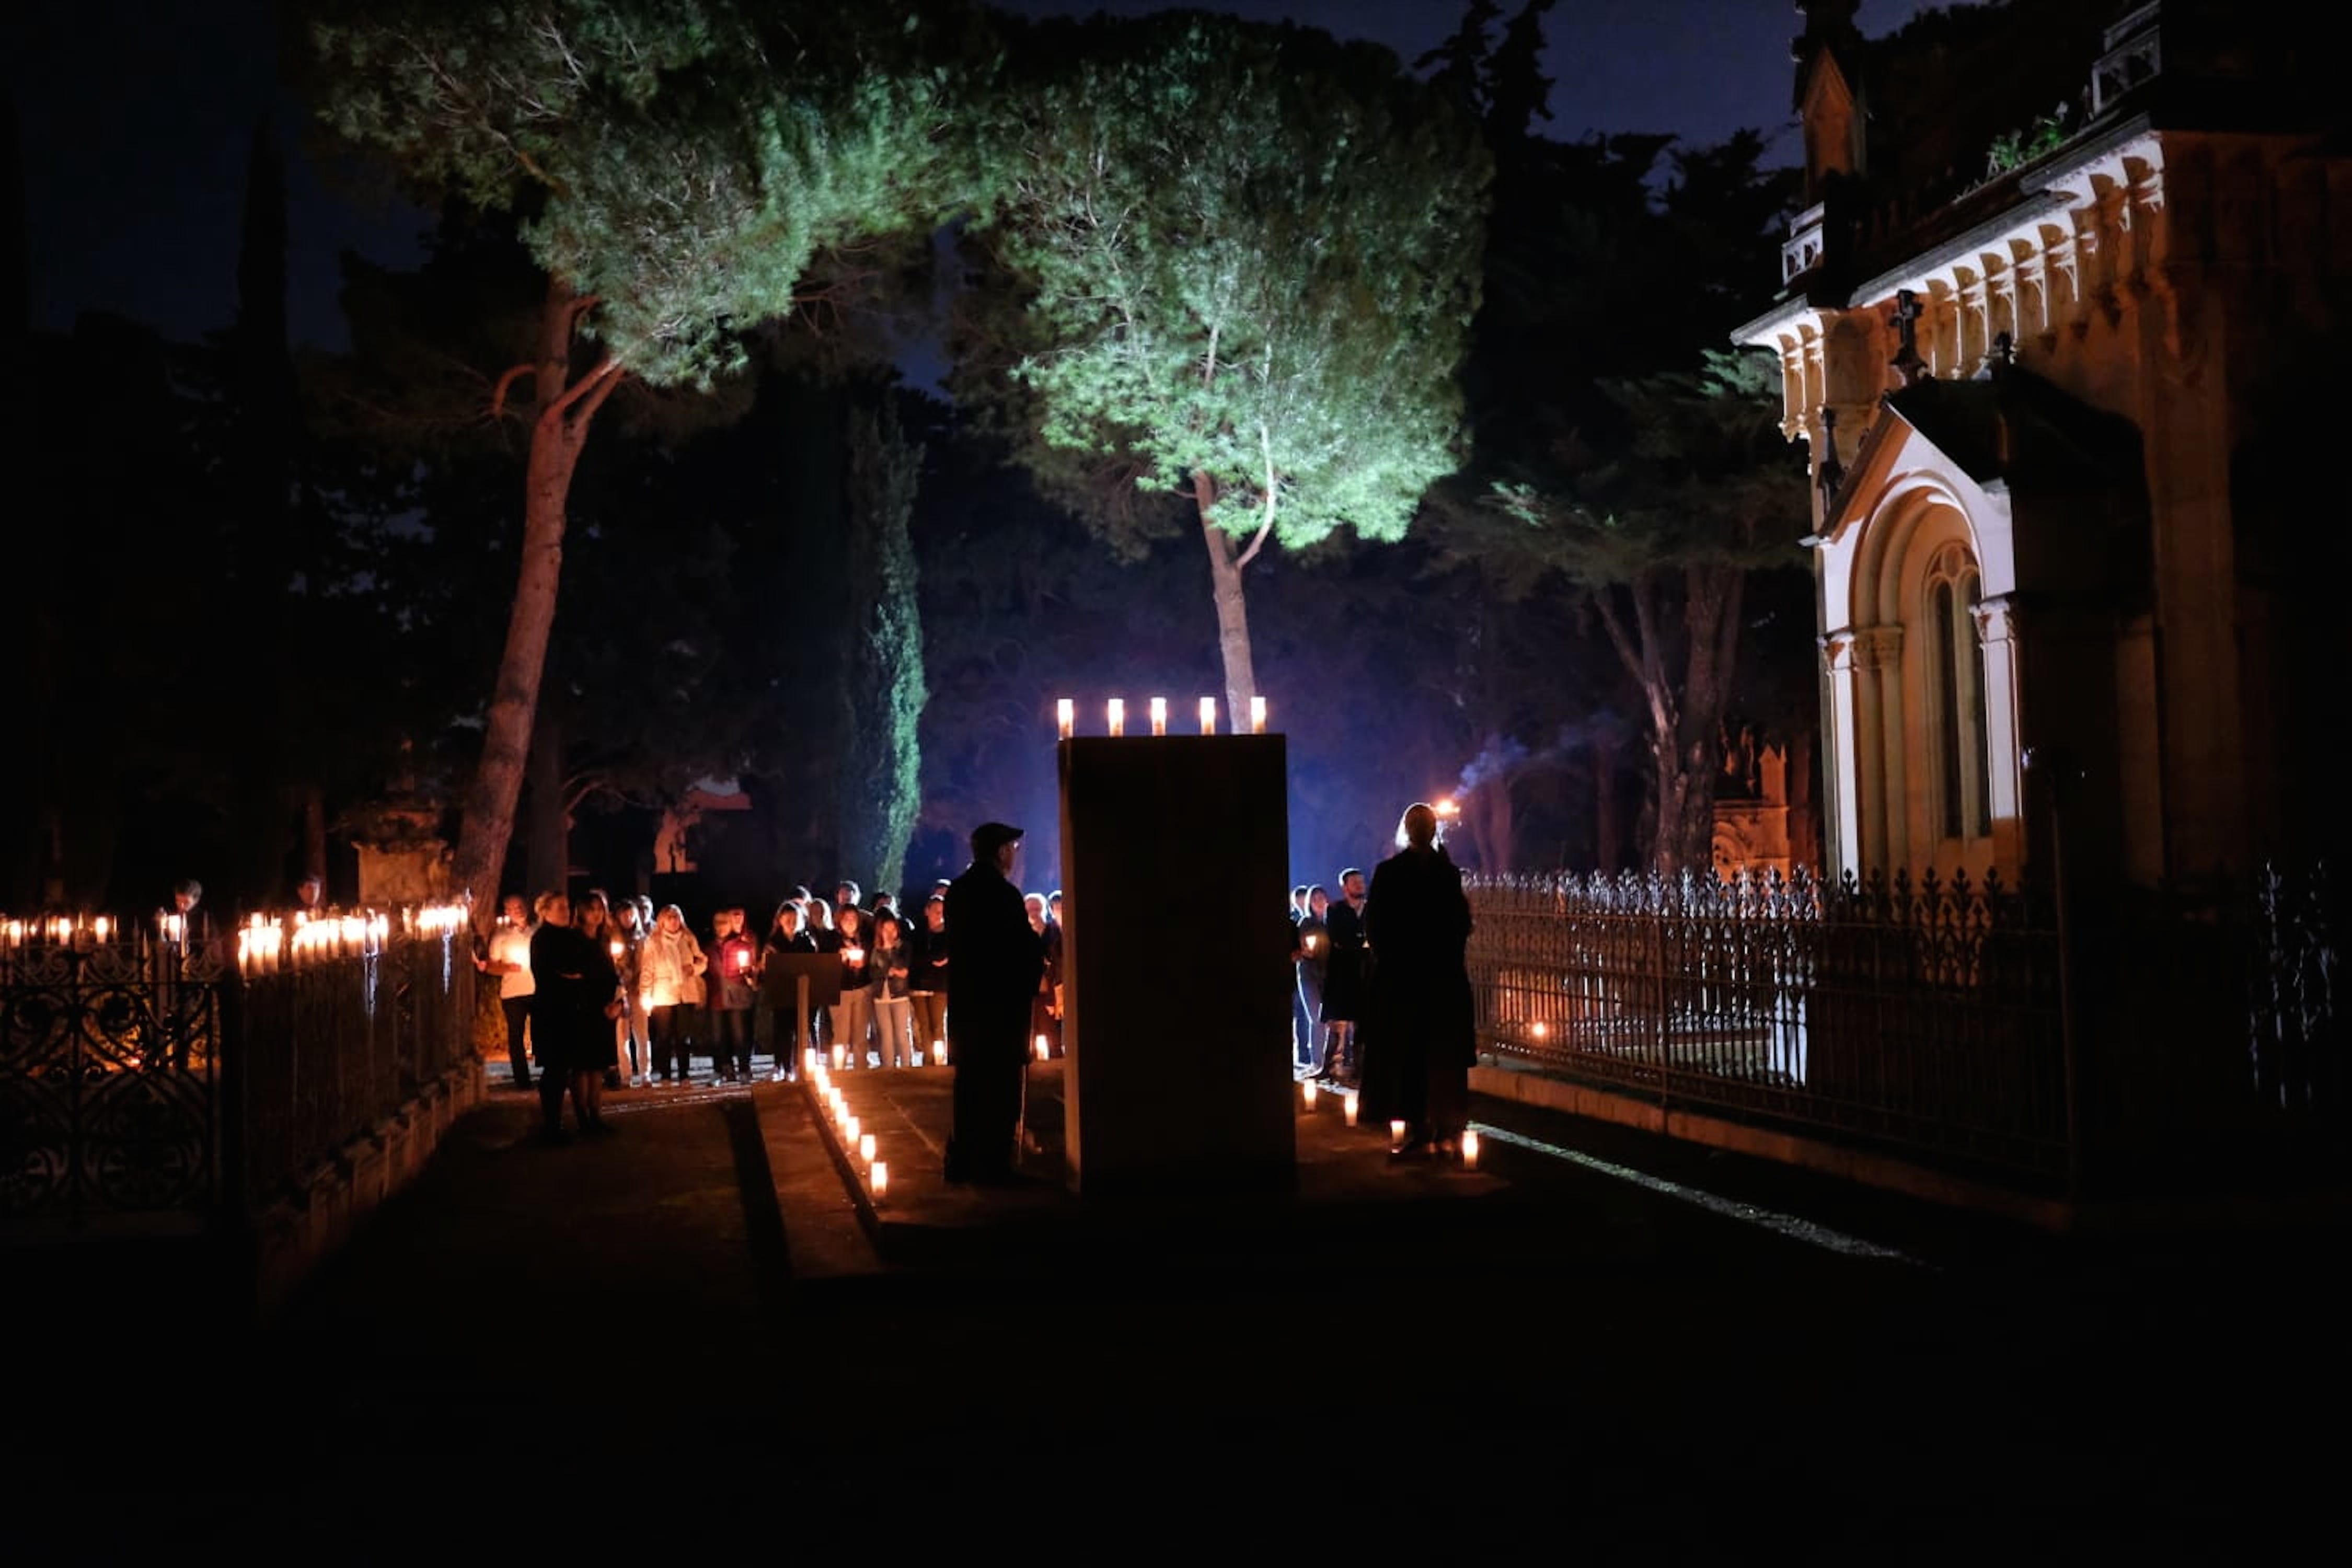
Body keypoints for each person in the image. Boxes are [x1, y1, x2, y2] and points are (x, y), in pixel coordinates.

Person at [1361, 804, 1475, 1161]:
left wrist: (1395, 960)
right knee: (1427, 1055)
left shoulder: (1411, 873)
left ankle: (1433, 1125)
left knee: (1420, 1055)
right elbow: (1458, 926)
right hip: (1431, 980)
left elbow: (1377, 927)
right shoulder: (1440, 874)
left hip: (1411, 981)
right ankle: (1433, 1125)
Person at [944, 822, 1043, 1184]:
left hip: (968, 1005)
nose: (1015, 856)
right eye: (1012, 849)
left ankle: (964, 1157)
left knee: (969, 1083)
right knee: (1000, 1084)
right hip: (999, 1009)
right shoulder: (1003, 895)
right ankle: (993, 1164)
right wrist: (1037, 948)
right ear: (1001, 852)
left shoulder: (957, 892)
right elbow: (1017, 949)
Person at [527, 891, 621, 1142]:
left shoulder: (567, 937)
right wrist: (576, 977)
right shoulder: (543, 939)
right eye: (559, 907)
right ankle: (552, 1126)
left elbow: (586, 970)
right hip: (553, 1012)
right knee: (555, 1071)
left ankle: (559, 1124)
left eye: (566, 906)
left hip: (570, 1012)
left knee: (564, 1069)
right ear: (544, 911)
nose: (565, 911)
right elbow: (556, 974)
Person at [1314, 867, 1369, 1083]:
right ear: (1345, 887)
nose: (1360, 885)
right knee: (1336, 1021)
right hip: (1341, 972)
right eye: (1355, 882)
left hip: (1365, 972)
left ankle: (1360, 1068)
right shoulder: (1335, 910)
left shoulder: (1371, 910)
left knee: (1363, 1021)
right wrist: (1361, 943)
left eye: (1362, 881)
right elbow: (1338, 938)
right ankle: (1328, 1066)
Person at [482, 894, 536, 1090]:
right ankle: (522, 1080)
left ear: (526, 907)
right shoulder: (500, 937)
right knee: (516, 1036)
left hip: (537, 990)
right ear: (506, 912)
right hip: (513, 994)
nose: (517, 910)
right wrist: (507, 968)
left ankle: (550, 1074)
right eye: (512, 908)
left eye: (520, 906)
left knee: (544, 1033)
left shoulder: (536, 932)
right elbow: (491, 966)